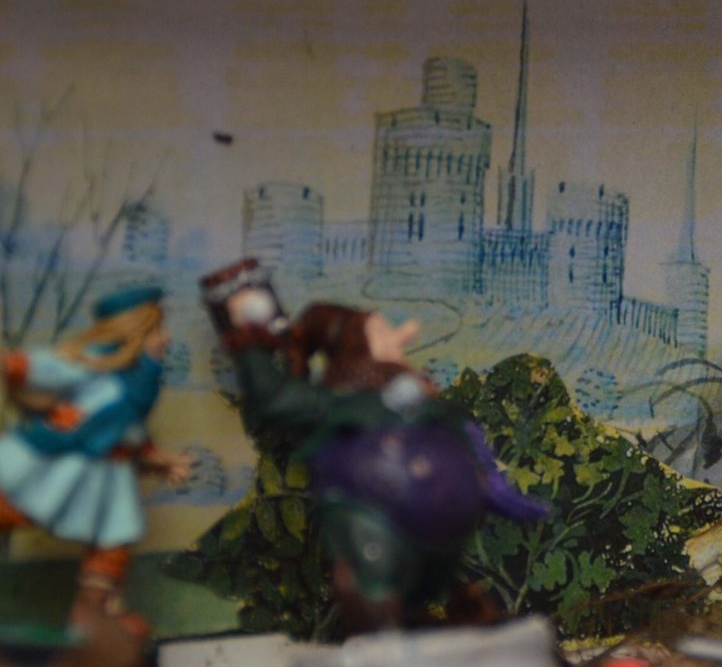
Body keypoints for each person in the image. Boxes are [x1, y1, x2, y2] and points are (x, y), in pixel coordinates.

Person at [200, 259, 548, 635]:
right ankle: (386, 634)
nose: (403, 335)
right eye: (383, 332)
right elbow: (275, 398)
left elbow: (463, 434)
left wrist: (487, 482)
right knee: (376, 588)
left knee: (436, 589)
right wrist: (249, 338)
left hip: (443, 533)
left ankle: (445, 621)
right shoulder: (339, 404)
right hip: (377, 526)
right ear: (356, 346)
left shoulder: (415, 399)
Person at [0, 285, 190, 636]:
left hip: (113, 476)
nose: (163, 338)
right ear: (133, 329)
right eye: (154, 329)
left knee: (113, 542)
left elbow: (131, 428)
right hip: (77, 468)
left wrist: (161, 461)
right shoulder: (96, 366)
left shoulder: (132, 377)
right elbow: (63, 371)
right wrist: (7, 362)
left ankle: (93, 615)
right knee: (30, 508)